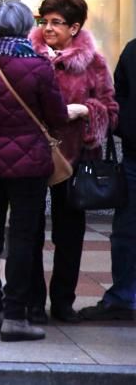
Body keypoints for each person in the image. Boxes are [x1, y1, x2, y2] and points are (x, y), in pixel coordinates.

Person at [0, 0, 69, 342]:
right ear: (25, 27)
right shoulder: (37, 65)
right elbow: (57, 116)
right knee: (22, 237)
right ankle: (15, 316)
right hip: (29, 165)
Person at [27, 0, 118, 323]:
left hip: (75, 157)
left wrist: (86, 110)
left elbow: (111, 110)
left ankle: (63, 301)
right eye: (44, 21)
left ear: (75, 27)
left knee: (69, 234)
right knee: (29, 231)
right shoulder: (28, 55)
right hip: (32, 154)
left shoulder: (94, 63)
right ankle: (33, 301)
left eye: (56, 22)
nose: (48, 28)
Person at [80, 37, 136, 321]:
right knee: (126, 230)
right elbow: (119, 97)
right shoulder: (133, 50)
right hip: (135, 155)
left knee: (127, 230)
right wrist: (127, 129)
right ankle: (123, 298)